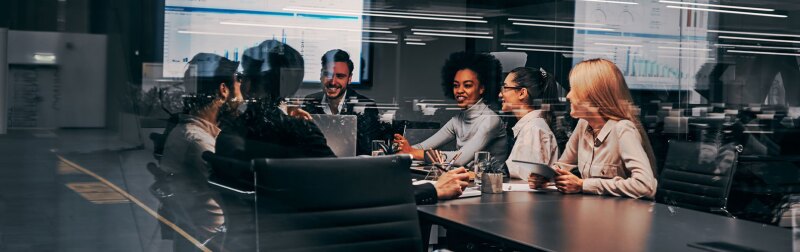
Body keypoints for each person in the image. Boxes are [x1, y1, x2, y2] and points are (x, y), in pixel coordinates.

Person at [530, 58, 657, 199]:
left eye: (574, 89)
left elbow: (645, 185)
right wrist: (546, 176)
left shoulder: (623, 129)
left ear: (593, 95)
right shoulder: (583, 124)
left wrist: (583, 185)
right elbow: (564, 164)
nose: (568, 95)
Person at [158, 53, 240, 249]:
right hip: (219, 241)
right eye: (239, 81)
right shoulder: (198, 143)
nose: (243, 91)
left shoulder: (189, 131)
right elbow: (239, 193)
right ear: (223, 90)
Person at [394, 51, 508, 167]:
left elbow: (459, 159)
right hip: (467, 181)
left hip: (494, 183)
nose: (459, 91)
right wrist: (402, 148)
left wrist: (413, 152)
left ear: (482, 88)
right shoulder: (457, 120)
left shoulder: (490, 120)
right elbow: (422, 147)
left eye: (467, 85)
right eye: (456, 85)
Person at [302, 49, 381, 155]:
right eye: (328, 74)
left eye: (340, 76)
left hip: (351, 168)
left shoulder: (365, 106)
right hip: (317, 167)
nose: (333, 82)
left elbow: (367, 152)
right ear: (321, 75)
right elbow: (303, 145)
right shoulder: (310, 102)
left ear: (349, 79)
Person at [498, 67, 560, 179]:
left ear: (522, 93)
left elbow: (527, 179)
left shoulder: (533, 129)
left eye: (505, 88)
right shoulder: (531, 126)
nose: (500, 94)